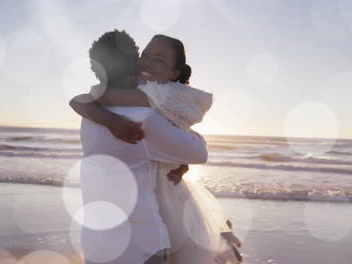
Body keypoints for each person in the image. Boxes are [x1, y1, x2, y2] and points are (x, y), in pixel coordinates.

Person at [70, 30, 242, 263]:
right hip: (145, 233)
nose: (147, 62)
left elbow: (85, 99)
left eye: (158, 59)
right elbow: (197, 152)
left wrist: (102, 114)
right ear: (135, 59)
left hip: (99, 238)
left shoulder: (94, 112)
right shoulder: (141, 115)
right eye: (146, 55)